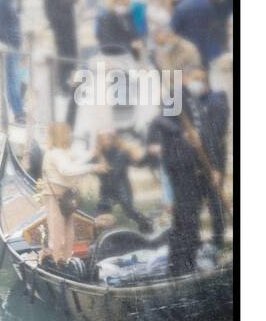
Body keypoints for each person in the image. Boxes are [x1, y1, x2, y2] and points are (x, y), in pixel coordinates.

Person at [146, 115, 205, 277]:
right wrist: (169, 199)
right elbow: (166, 178)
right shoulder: (173, 150)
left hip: (190, 196)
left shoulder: (183, 148)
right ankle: (181, 268)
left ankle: (184, 267)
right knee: (183, 231)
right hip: (181, 198)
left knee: (187, 231)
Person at [40, 122, 105, 263]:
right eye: (67, 133)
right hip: (55, 195)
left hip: (64, 195)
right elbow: (67, 170)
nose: (70, 136)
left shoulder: (62, 152)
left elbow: (73, 165)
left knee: (66, 227)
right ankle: (60, 259)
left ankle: (65, 258)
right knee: (58, 228)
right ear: (61, 135)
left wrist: (91, 155)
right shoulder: (55, 153)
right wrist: (92, 167)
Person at [182, 66, 229, 245]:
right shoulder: (190, 101)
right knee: (194, 202)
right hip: (194, 161)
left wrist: (216, 168)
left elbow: (216, 136)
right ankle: (196, 242)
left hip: (213, 159)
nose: (195, 83)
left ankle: (218, 240)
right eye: (192, 79)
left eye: (198, 79)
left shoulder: (217, 100)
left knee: (215, 201)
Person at [94, 130, 151, 232]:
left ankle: (147, 225)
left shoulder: (121, 153)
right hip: (106, 189)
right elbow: (90, 168)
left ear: (112, 139)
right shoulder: (99, 154)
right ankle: (104, 236)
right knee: (101, 214)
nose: (104, 141)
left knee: (130, 211)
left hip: (121, 188)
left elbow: (113, 171)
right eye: (101, 139)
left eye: (106, 138)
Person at [0, 0, 25, 123]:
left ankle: (18, 111)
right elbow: (0, 27)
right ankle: (18, 113)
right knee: (12, 81)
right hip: (9, 47)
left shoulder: (4, 0)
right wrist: (12, 44)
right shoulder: (0, 1)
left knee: (14, 80)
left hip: (12, 46)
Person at [171, 0, 232, 68]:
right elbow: (214, 22)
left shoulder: (180, 6)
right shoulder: (208, 4)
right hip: (207, 42)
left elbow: (174, 28)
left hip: (189, 43)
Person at [44, 0, 78, 119]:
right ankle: (64, 86)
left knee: (70, 58)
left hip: (66, 28)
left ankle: (66, 85)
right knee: (65, 57)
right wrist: (72, 0)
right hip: (62, 29)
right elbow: (57, 6)